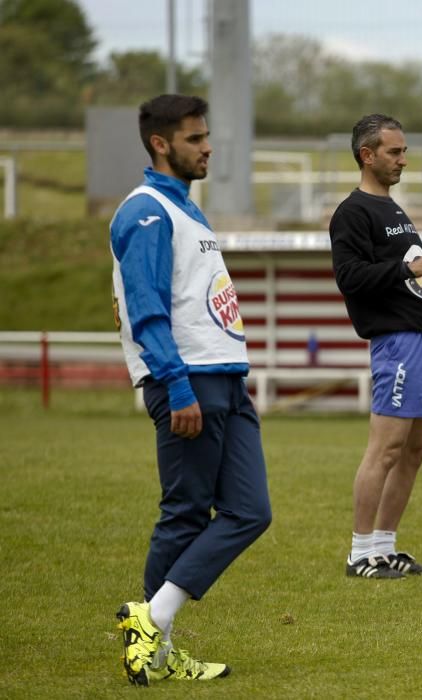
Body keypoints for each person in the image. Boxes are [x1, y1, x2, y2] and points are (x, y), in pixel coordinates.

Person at [110, 94, 272, 685]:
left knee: (250, 511)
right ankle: (157, 643)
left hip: (226, 379)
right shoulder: (147, 211)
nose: (208, 147)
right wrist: (177, 386)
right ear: (161, 143)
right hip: (189, 381)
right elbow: (147, 310)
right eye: (196, 138)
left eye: (207, 136)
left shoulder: (187, 212)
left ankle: (150, 620)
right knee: (184, 515)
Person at [329, 114, 422, 579]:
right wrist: (410, 267)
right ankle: (360, 553)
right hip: (398, 343)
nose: (404, 159)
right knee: (386, 449)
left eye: (404, 151)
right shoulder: (352, 212)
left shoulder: (394, 209)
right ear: (367, 155)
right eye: (394, 152)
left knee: (415, 449)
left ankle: (384, 547)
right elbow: (351, 278)